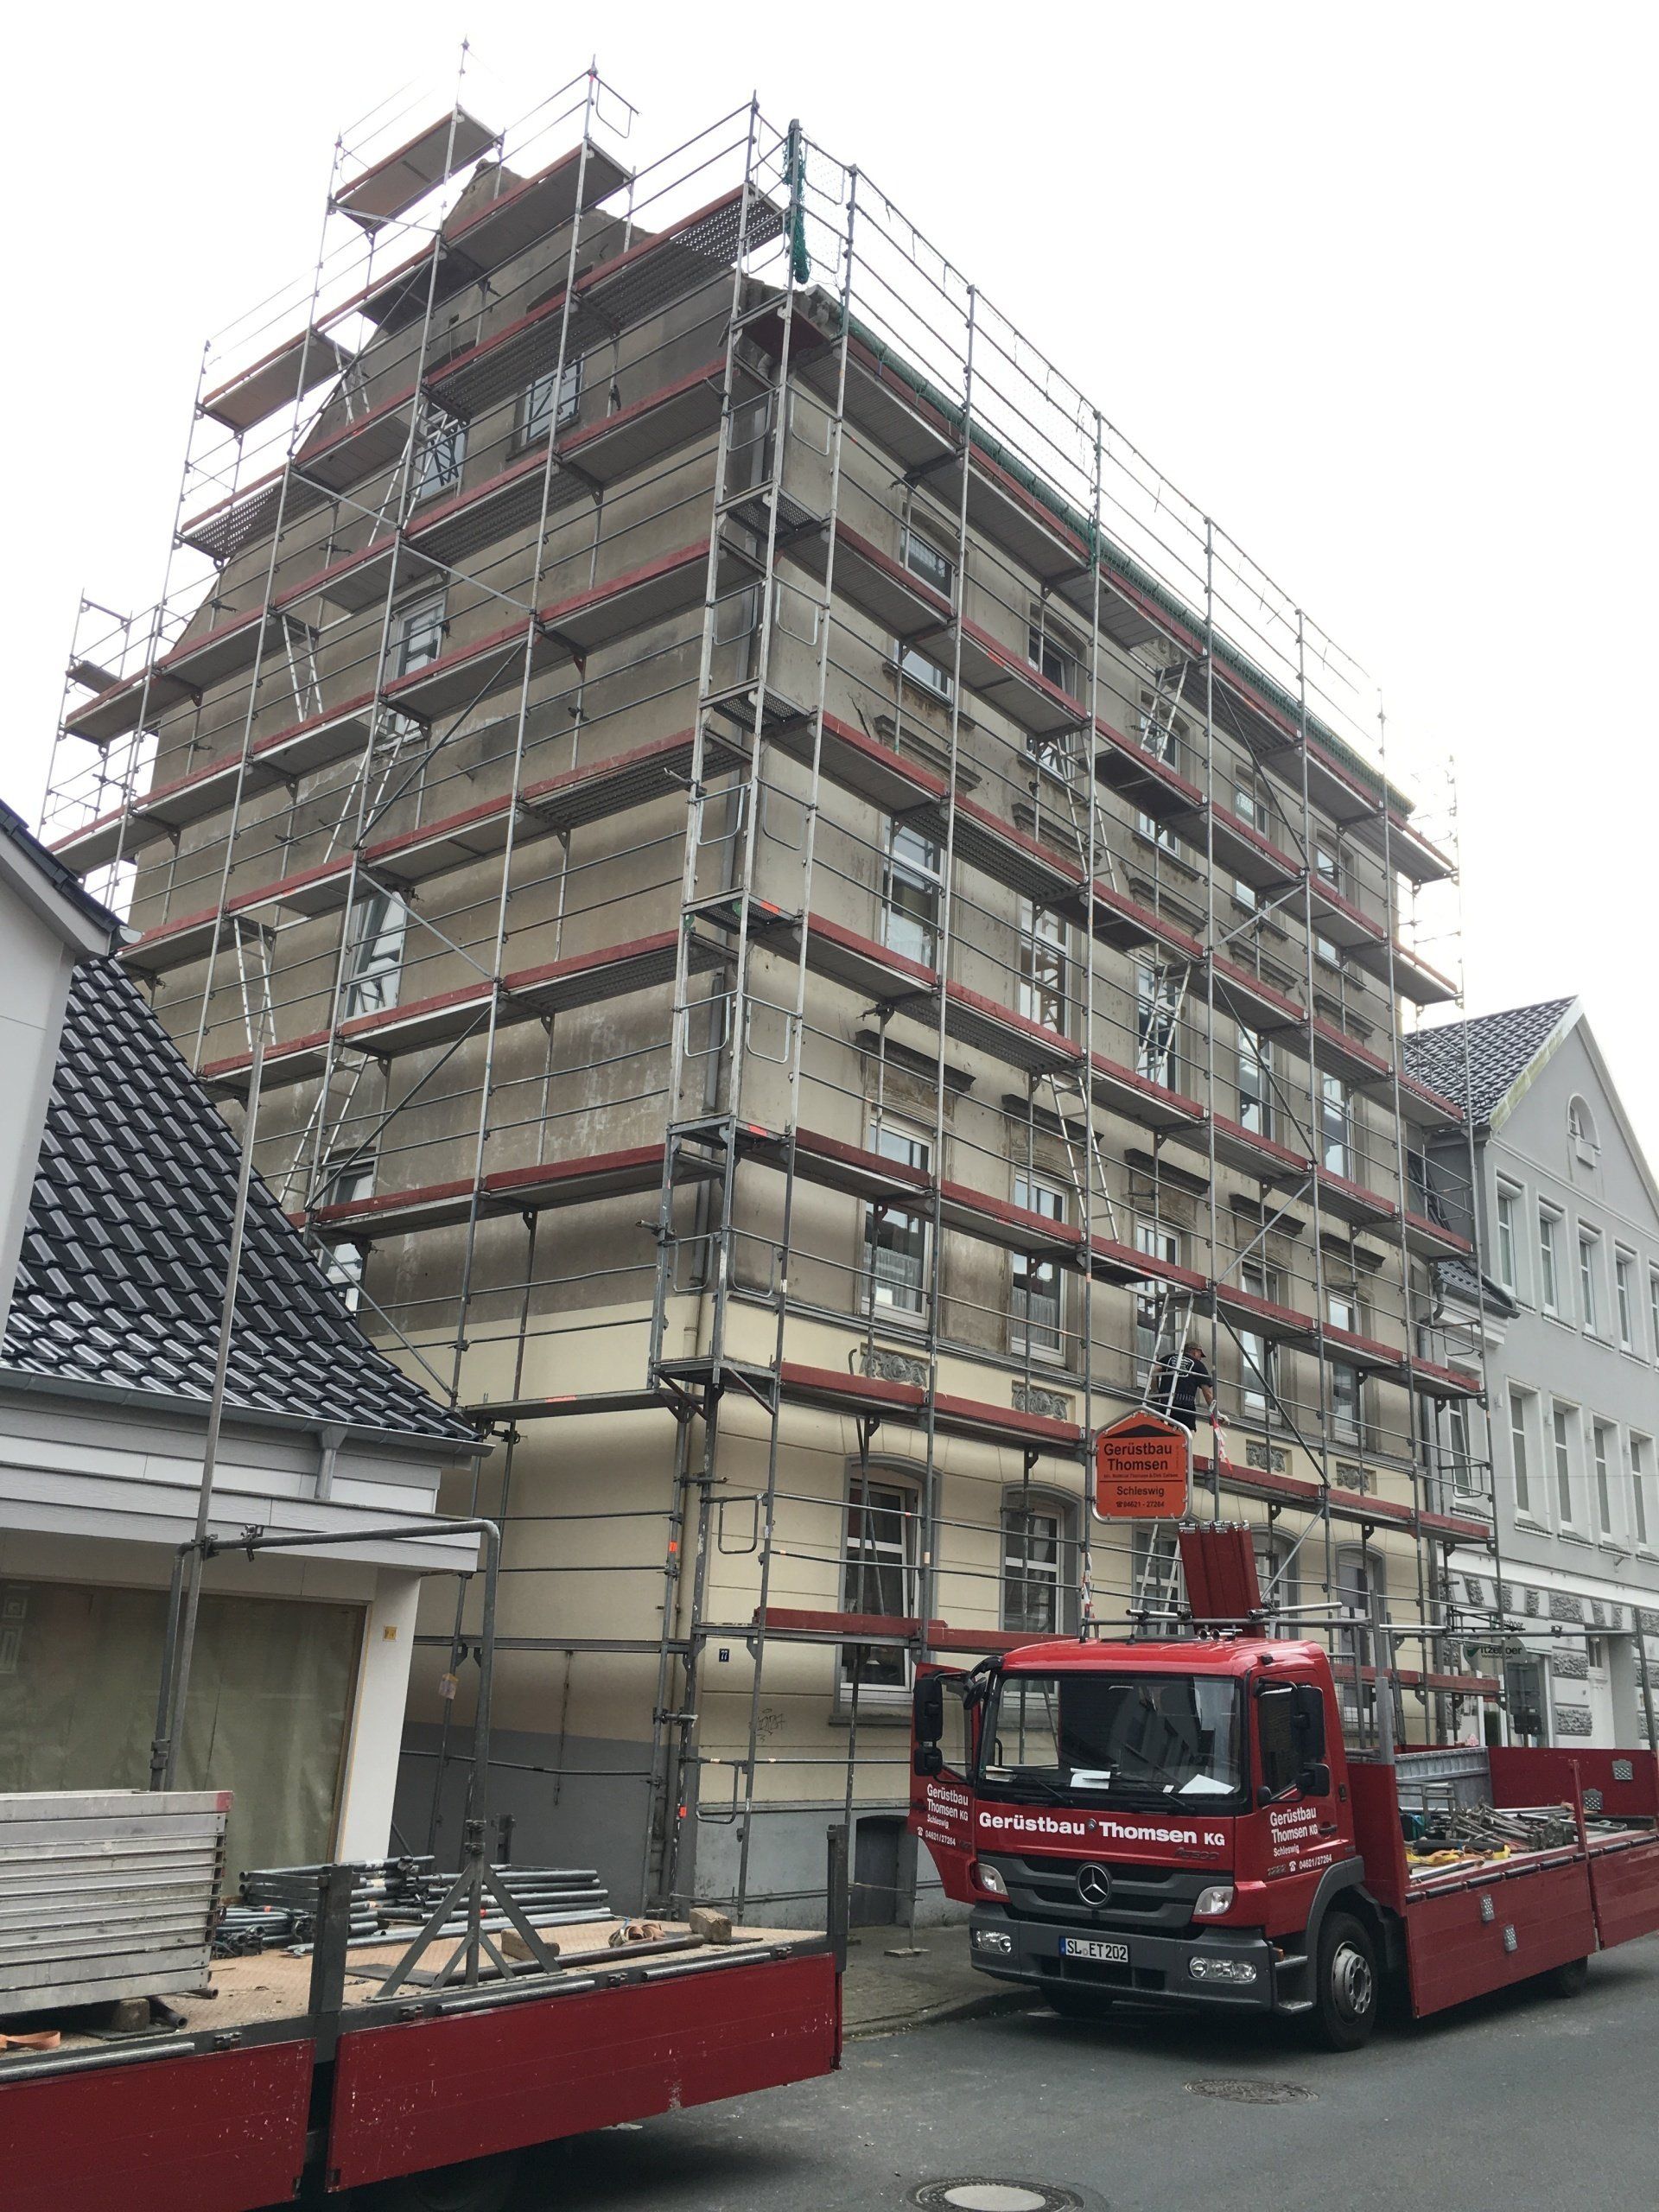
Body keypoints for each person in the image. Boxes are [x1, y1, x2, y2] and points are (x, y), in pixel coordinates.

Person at [1151, 1338, 1215, 1433]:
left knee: (1164, 1432)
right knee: (1188, 1434)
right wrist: (1215, 1412)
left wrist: (1155, 1391)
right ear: (1195, 1352)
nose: (1200, 1358)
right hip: (1185, 1407)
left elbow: (1153, 1370)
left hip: (1165, 1404)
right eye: (1200, 1355)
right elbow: (1208, 1393)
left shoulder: (1169, 1358)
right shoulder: (1198, 1365)